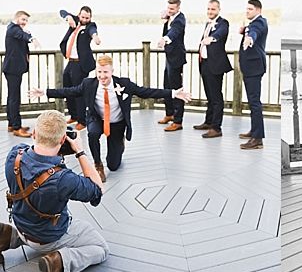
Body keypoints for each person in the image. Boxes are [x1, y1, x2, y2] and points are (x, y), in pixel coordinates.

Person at [0, 110, 107, 272]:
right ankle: (60, 262)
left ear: (34, 134)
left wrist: (50, 149)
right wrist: (80, 152)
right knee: (101, 248)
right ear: (62, 140)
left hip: (22, 226)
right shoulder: (64, 179)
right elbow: (98, 189)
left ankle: (8, 236)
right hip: (49, 239)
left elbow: (36, 158)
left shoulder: (15, 155)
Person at [30, 55, 192, 181]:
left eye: (105, 72)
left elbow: (146, 92)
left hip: (117, 124)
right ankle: (98, 165)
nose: (102, 76)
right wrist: (45, 92)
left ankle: (118, 145)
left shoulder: (124, 84)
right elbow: (69, 91)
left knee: (114, 165)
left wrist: (173, 93)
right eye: (99, 72)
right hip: (97, 119)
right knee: (92, 133)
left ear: (112, 71)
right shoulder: (88, 84)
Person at [195, 0, 233, 138]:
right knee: (209, 95)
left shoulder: (223, 23)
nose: (210, 12)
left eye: (213, 9)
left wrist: (211, 38)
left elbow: (220, 34)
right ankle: (209, 121)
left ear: (219, 10)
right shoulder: (208, 23)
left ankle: (216, 128)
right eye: (209, 9)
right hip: (204, 63)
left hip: (215, 65)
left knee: (216, 97)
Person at [58, 6, 101, 130]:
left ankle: (82, 120)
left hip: (80, 64)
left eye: (87, 18)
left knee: (79, 92)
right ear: (79, 15)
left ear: (90, 18)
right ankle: (74, 115)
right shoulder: (75, 20)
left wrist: (95, 37)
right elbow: (62, 11)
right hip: (70, 62)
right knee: (67, 88)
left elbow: (92, 30)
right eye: (83, 17)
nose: (85, 19)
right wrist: (68, 18)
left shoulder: (90, 26)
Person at [238, 0, 268, 150]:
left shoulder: (259, 23)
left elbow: (255, 33)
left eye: (250, 9)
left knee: (255, 103)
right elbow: (251, 30)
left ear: (258, 10)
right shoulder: (253, 23)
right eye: (246, 8)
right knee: (252, 102)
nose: (247, 11)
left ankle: (257, 139)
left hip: (254, 68)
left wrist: (249, 38)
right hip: (250, 68)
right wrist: (244, 31)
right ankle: (254, 130)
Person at [4, 10, 39, 137]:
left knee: (12, 97)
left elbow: (21, 36)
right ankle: (17, 128)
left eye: (26, 20)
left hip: (13, 69)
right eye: (23, 19)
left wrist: (26, 34)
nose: (25, 22)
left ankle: (11, 124)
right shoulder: (13, 29)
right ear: (17, 18)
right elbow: (22, 35)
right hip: (13, 69)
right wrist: (32, 38)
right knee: (14, 98)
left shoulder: (15, 29)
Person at [157, 0, 187, 132]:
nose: (169, 11)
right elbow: (168, 28)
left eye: (172, 9)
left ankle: (178, 121)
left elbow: (173, 33)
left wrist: (164, 39)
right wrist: (165, 19)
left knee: (177, 90)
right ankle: (169, 114)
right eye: (168, 8)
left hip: (177, 59)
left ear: (178, 8)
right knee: (166, 86)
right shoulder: (170, 18)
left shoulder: (180, 19)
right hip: (169, 57)